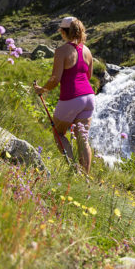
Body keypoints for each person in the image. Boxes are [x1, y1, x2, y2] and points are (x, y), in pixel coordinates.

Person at [33, 16, 95, 173]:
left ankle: (74, 169)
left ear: (63, 31)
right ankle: (85, 178)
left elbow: (55, 79)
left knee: (58, 133)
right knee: (83, 140)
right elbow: (89, 76)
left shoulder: (61, 51)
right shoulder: (87, 51)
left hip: (72, 97)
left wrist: (42, 90)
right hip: (89, 97)